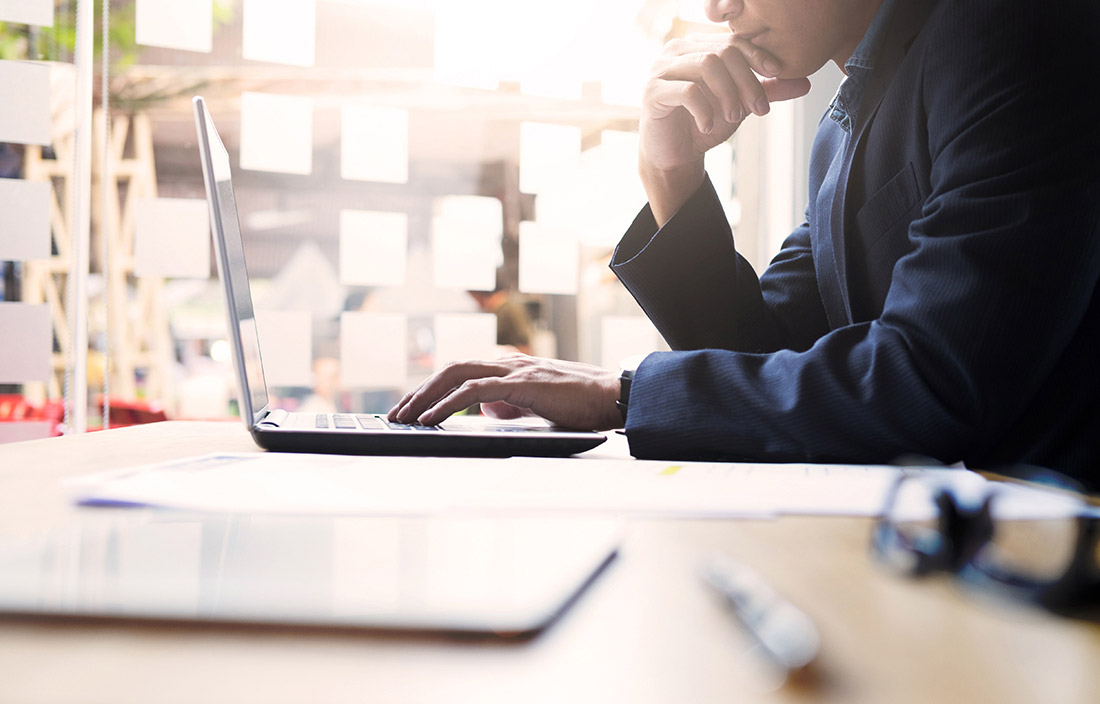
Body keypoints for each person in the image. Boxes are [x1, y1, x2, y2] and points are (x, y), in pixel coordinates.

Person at [390, 0, 1100, 490]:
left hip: (1047, 574)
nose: (716, 8)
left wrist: (620, 395)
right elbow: (764, 357)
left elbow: (934, 383)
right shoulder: (845, 123)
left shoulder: (1009, 32)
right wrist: (672, 174)